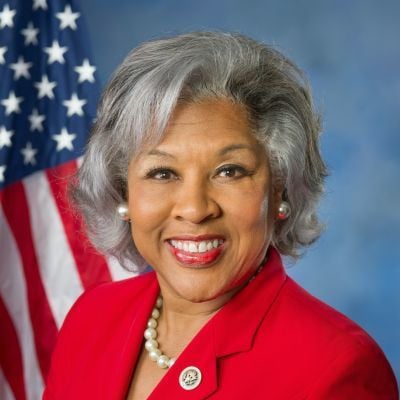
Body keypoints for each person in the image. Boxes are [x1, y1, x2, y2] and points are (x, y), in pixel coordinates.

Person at [43, 31, 398, 399]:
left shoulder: (336, 366)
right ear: (124, 192)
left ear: (280, 187)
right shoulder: (92, 318)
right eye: (162, 173)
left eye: (230, 171)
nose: (195, 209)